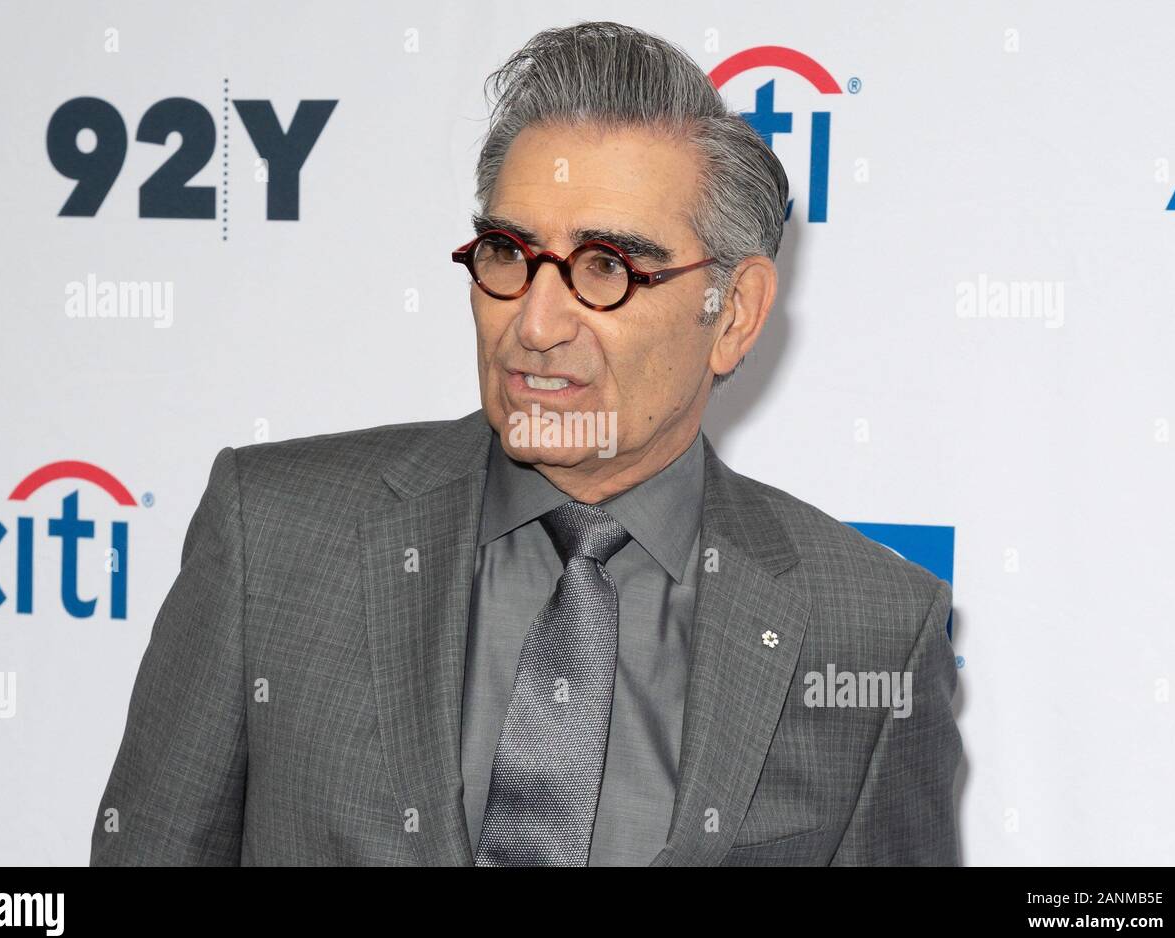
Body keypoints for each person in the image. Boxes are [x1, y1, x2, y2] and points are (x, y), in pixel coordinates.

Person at [91, 20, 960, 867]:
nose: (536, 324)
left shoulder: (875, 631)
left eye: (606, 267)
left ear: (732, 315)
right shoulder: (273, 535)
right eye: (508, 252)